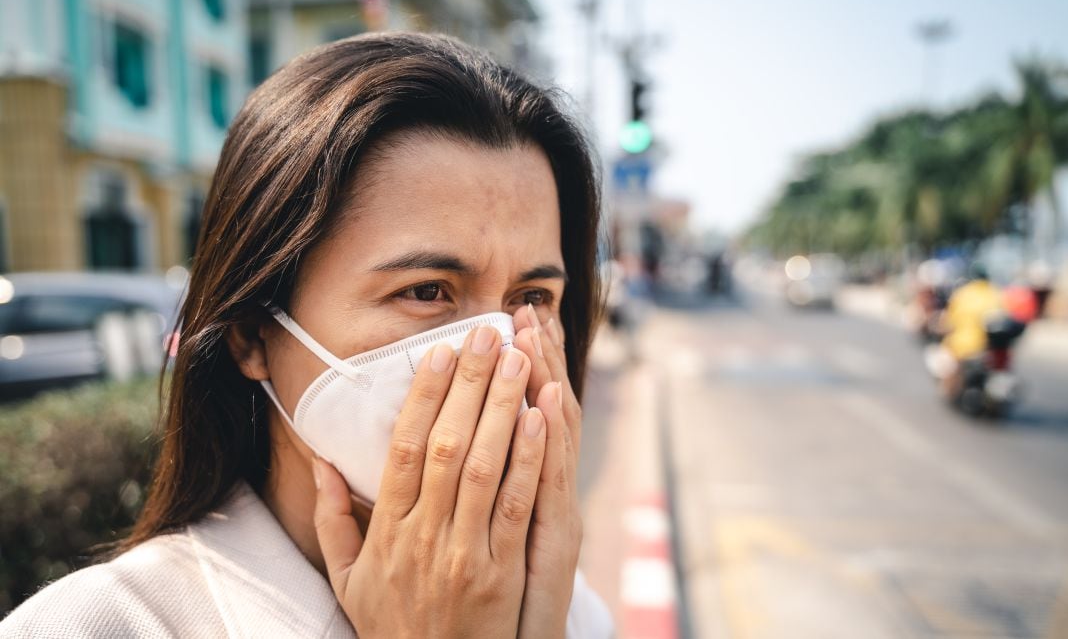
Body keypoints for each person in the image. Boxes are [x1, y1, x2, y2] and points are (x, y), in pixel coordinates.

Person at [1, 33, 612, 637]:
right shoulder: (102, 625)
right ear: (253, 336)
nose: (500, 351)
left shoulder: (567, 608)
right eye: (426, 291)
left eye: (532, 298)